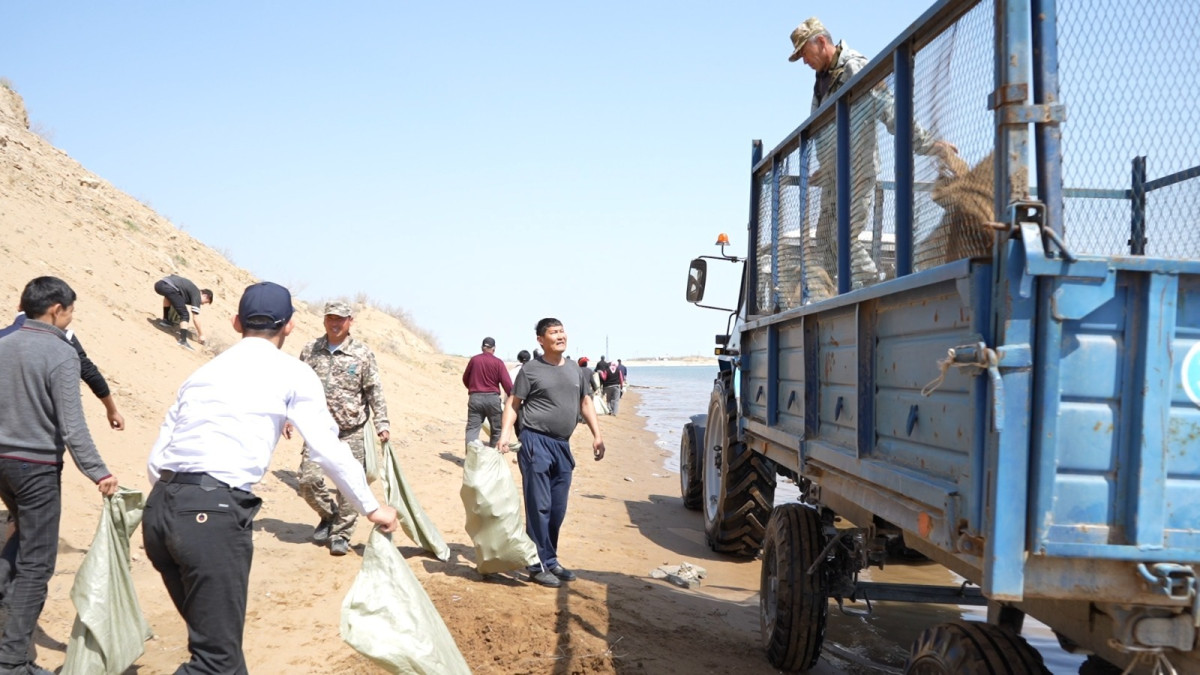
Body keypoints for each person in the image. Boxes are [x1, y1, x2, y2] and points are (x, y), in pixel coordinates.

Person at [144, 282, 399, 675]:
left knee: (223, 654)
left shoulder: (202, 373)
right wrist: (372, 508)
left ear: (234, 322)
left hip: (160, 512)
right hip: (210, 517)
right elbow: (328, 449)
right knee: (216, 662)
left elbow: (156, 457)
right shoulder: (293, 372)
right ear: (291, 326)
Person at [0, 277, 119, 675]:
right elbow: (73, 427)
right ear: (56, 310)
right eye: (70, 311)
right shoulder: (60, 351)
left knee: (18, 539)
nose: (70, 319)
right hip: (35, 469)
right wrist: (98, 472)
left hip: (2, 463)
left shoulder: (2, 341)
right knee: (37, 564)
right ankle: (13, 661)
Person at [789, 17, 952, 300]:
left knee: (844, 238)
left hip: (857, 172)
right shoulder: (821, 81)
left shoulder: (855, 68)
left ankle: (874, 287)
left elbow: (892, 111)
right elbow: (827, 131)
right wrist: (825, 168)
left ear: (821, 42)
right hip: (834, 177)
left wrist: (927, 145)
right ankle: (828, 301)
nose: (804, 61)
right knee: (825, 242)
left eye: (804, 52)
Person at [498, 318, 604, 588]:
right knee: (539, 506)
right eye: (553, 332)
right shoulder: (531, 370)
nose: (560, 336)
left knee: (557, 508)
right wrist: (505, 434)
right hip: (535, 441)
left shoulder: (575, 370)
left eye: (562, 331)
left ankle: (551, 558)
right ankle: (536, 564)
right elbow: (514, 403)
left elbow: (586, 402)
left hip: (562, 445)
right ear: (540, 340)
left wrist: (597, 435)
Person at [295, 300, 390, 557]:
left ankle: (341, 534)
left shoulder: (362, 353)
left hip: (352, 429)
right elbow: (297, 385)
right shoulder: (310, 350)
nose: (335, 323)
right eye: (330, 318)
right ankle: (329, 514)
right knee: (307, 480)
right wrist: (287, 416)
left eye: (340, 319)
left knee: (350, 484)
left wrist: (382, 423)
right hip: (318, 430)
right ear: (324, 320)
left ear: (350, 321)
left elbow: (374, 390)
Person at [4, 311, 124, 430]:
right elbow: (91, 374)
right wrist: (112, 411)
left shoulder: (5, 336)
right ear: (56, 311)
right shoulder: (65, 340)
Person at [462, 337, 513, 447]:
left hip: (475, 398)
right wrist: (513, 397)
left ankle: (472, 461)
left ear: (482, 348)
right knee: (497, 430)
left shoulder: (474, 360)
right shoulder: (498, 362)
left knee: (472, 429)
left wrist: (474, 388)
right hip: (492, 399)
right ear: (494, 349)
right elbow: (507, 383)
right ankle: (494, 458)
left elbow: (465, 378)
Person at [153, 274, 213, 349]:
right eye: (206, 302)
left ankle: (165, 320)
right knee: (185, 315)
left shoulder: (190, 290)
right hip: (169, 287)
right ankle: (183, 341)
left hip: (159, 285)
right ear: (205, 296)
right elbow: (195, 318)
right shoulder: (197, 294)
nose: (203, 304)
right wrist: (201, 334)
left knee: (169, 297)